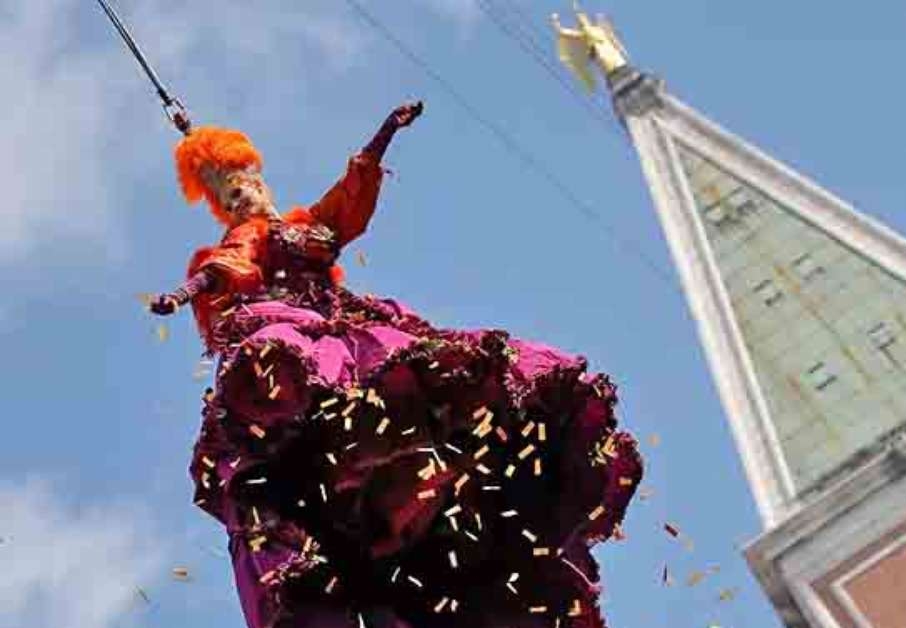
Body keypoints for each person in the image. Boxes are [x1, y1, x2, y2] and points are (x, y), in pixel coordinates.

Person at [149, 102, 643, 628]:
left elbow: (348, 204)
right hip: (297, 333)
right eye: (229, 198)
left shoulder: (304, 223)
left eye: (244, 187)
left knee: (430, 377)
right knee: (310, 383)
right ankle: (346, 485)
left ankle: (430, 483)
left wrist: (385, 133)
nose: (241, 199)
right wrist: (181, 295)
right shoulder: (247, 239)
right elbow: (227, 271)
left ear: (261, 180)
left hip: (346, 329)